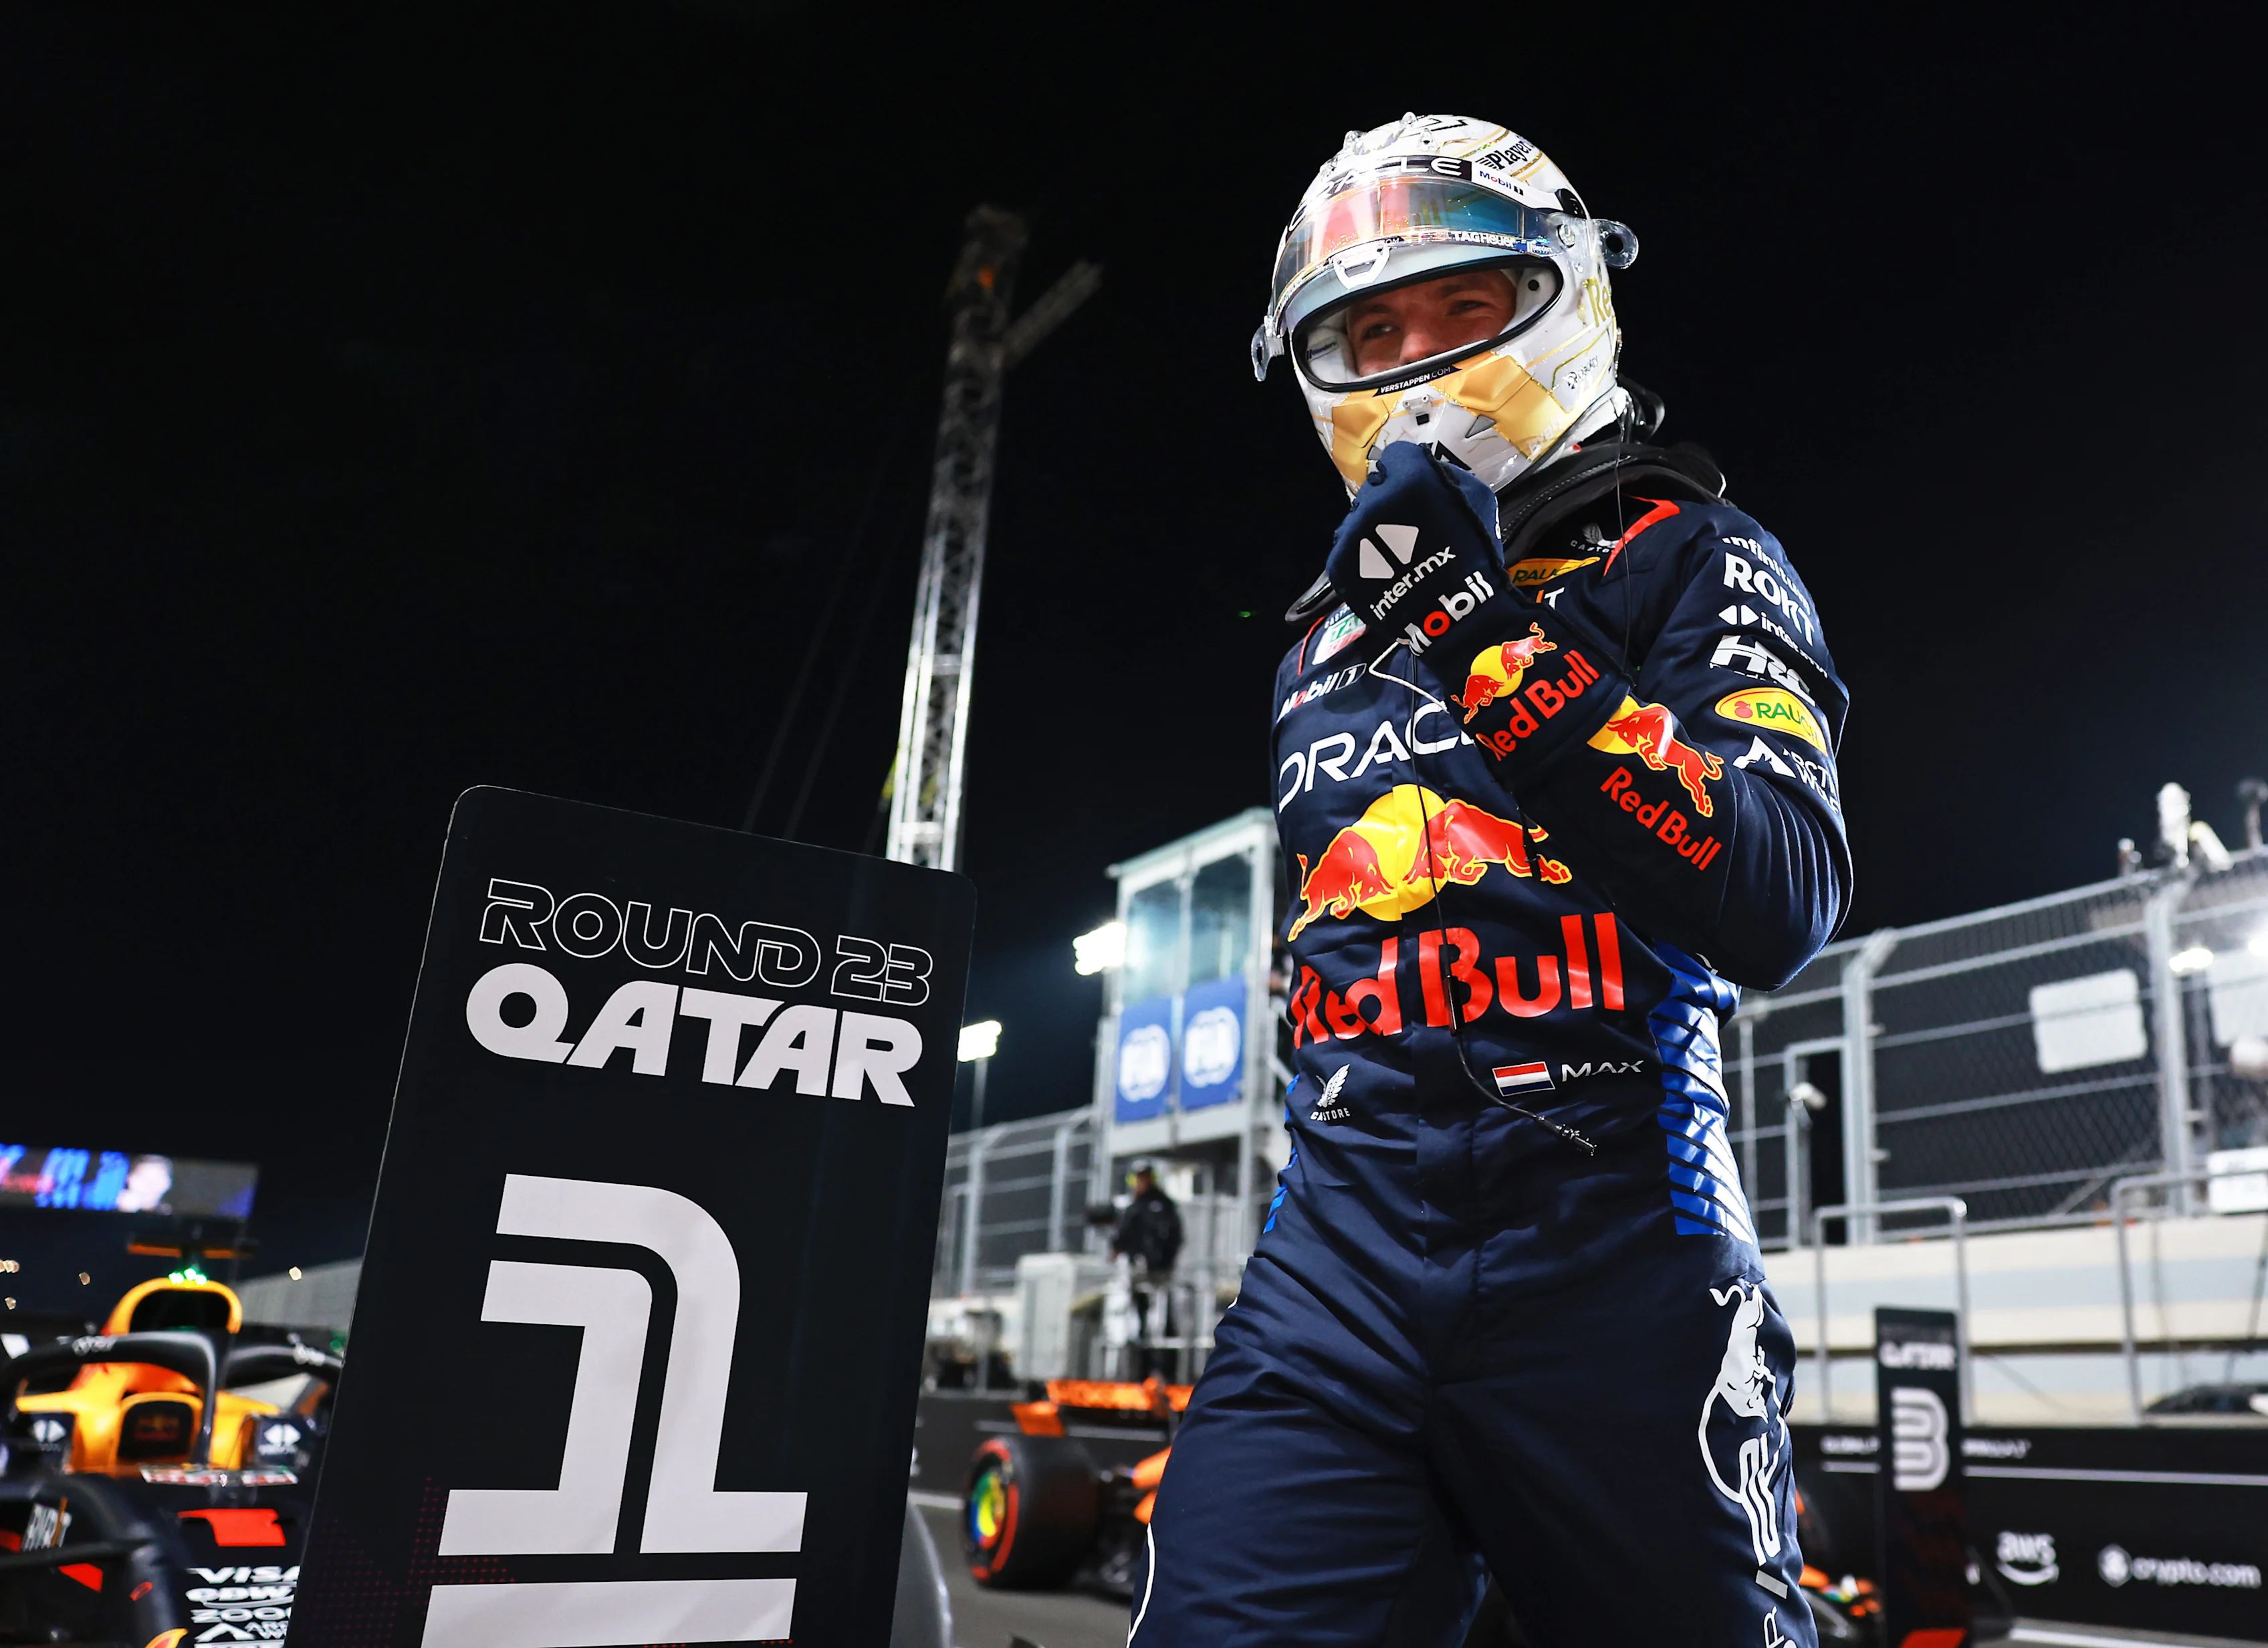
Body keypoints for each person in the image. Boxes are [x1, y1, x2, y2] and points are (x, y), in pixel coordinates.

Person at [1135, 115, 1851, 1647]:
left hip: (1611, 1253)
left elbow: (1778, 895)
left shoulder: (1689, 552)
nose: (1416, 360)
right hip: (1336, 1264)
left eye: (1465, 308)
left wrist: (1475, 623)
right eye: (1367, 330)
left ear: (1564, 297)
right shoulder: (1316, 641)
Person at [1113, 1161, 1183, 1377]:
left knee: (1163, 1318)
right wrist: (1119, 1249)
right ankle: (1140, 1370)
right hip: (1139, 1272)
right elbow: (1124, 1236)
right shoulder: (1134, 1207)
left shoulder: (1164, 1205)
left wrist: (1166, 1261)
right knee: (1139, 1319)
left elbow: (1174, 1236)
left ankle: (1165, 1368)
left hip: (1161, 1271)